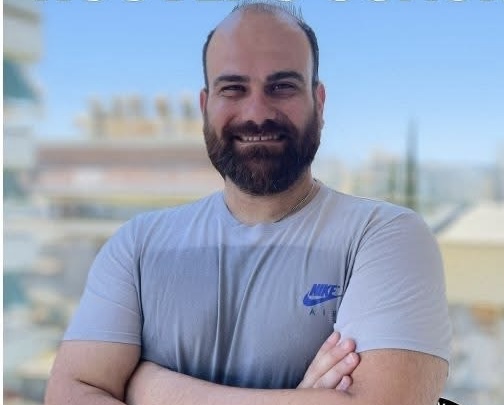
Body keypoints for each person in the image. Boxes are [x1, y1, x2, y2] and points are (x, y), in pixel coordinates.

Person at [45, 2, 451, 405]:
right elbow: (70, 393)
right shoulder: (138, 246)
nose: (257, 113)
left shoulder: (383, 237)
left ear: (319, 102)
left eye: (282, 86)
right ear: (205, 107)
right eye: (233, 88)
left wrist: (149, 387)